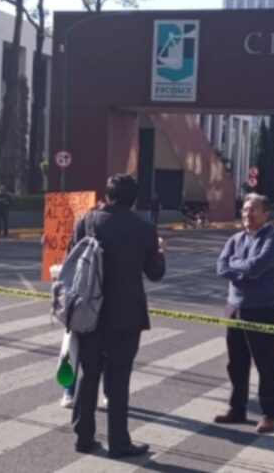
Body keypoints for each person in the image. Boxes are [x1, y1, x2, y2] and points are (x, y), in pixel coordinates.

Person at [70, 173, 165, 457]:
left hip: (89, 313)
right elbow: (155, 273)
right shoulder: (144, 228)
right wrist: (159, 250)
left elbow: (70, 260)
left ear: (107, 195)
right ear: (134, 199)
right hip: (126, 316)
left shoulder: (85, 221)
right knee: (119, 379)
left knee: (88, 376)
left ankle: (83, 437)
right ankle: (119, 442)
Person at [216, 193, 274, 434]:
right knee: (236, 363)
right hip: (234, 307)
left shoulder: (273, 239)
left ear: (266, 214)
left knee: (266, 364)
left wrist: (238, 265)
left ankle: (270, 413)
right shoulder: (235, 239)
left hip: (261, 309)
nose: (247, 215)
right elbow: (221, 267)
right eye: (244, 210)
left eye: (253, 210)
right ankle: (237, 408)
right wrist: (243, 267)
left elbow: (257, 267)